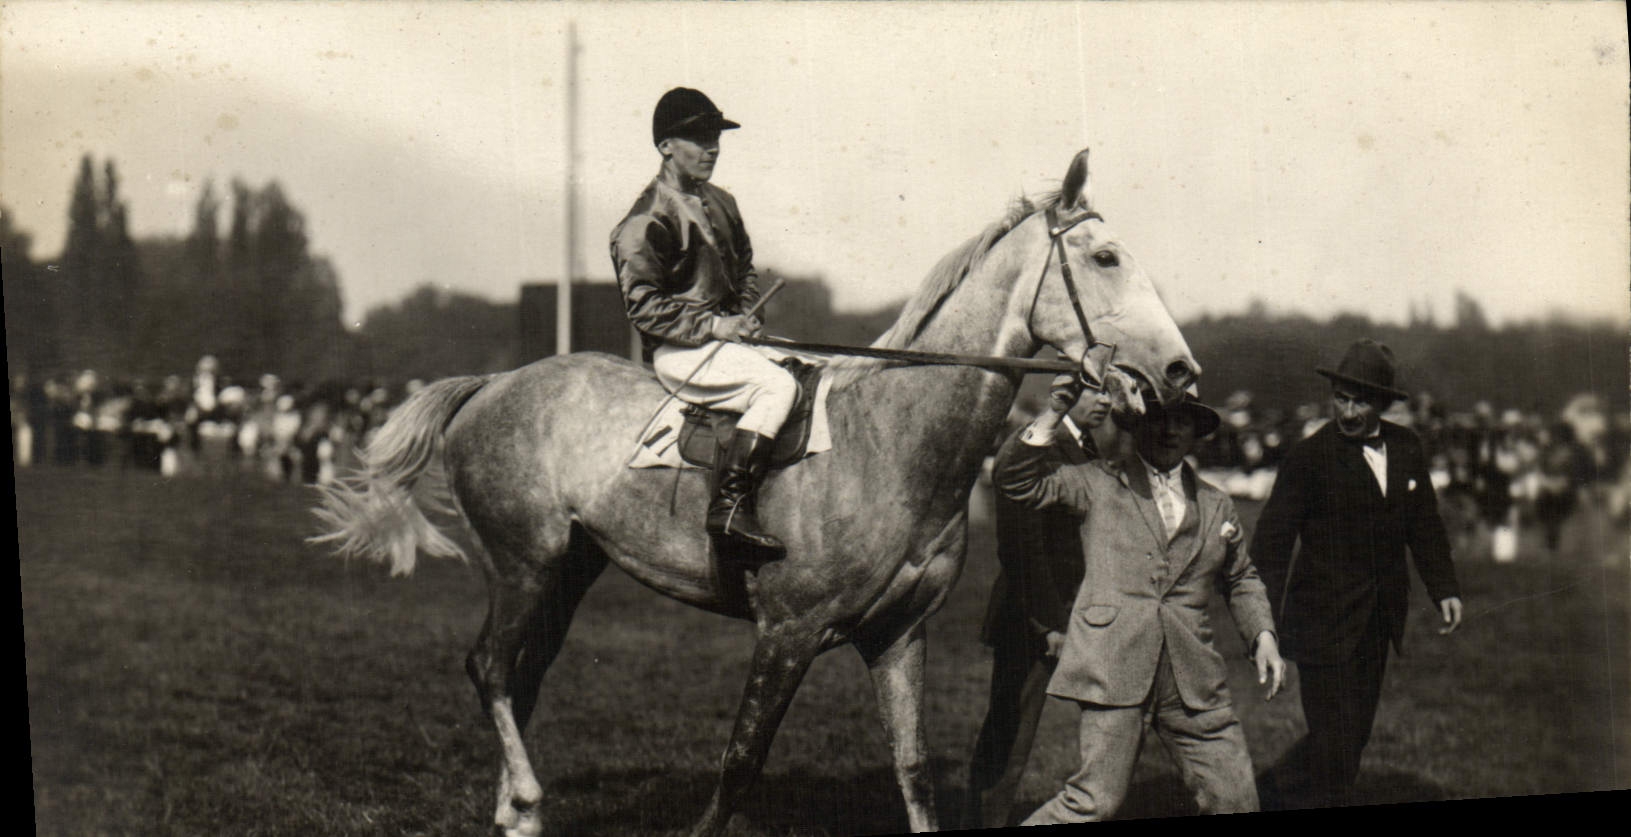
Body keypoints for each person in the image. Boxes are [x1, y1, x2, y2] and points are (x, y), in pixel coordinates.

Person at [998, 379, 1285, 823]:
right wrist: (1054, 412)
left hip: (1194, 680)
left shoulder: (1215, 504)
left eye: (1182, 421)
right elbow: (1015, 482)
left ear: (1195, 432)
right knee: (1096, 802)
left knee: (1236, 800)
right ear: (1139, 425)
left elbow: (1241, 576)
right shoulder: (1096, 483)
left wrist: (1262, 636)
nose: (1170, 431)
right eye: (1160, 420)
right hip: (1116, 669)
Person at [1251, 338, 1463, 809]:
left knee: (1352, 743)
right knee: (1335, 741)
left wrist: (1444, 587)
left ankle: (1270, 796)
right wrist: (1260, 627)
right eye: (1341, 399)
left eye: (1360, 401)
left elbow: (1424, 524)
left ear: (1383, 403)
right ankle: (1259, 797)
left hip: (1379, 621)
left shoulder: (1407, 448)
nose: (1348, 413)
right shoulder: (1309, 457)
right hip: (1321, 621)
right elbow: (1271, 544)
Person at [610, 87, 797, 553]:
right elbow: (644, 308)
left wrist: (748, 315)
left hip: (730, 343)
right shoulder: (642, 221)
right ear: (665, 146)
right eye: (697, 137)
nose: (711, 147)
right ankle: (729, 508)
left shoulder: (722, 202)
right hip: (681, 352)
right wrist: (715, 326)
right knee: (778, 388)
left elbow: (745, 268)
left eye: (714, 136)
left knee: (807, 368)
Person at [962, 378, 1114, 829]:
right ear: (1065, 394)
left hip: (1082, 612)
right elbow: (1020, 548)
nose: (1104, 400)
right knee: (1010, 734)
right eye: (1096, 391)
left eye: (1109, 392)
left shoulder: (1089, 447)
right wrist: (1048, 624)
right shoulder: (1036, 445)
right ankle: (984, 821)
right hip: (1033, 617)